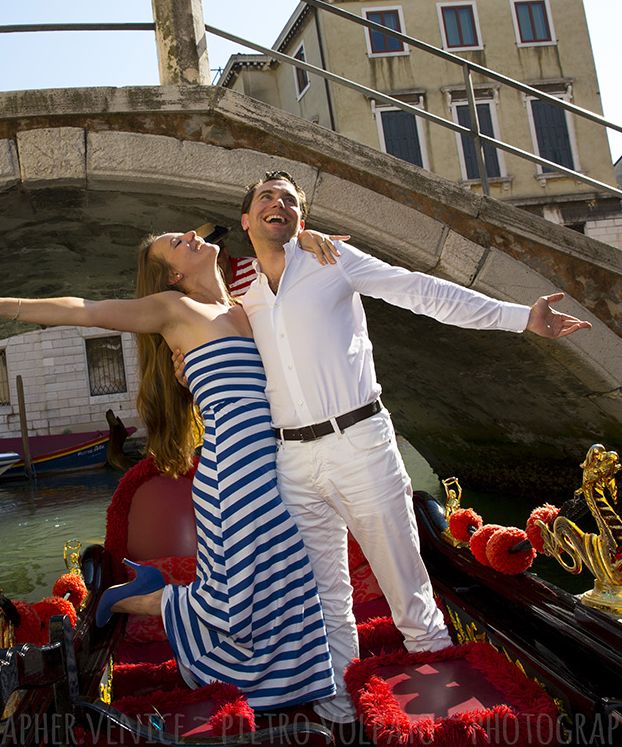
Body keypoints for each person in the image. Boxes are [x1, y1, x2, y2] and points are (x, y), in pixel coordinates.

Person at [232, 169, 592, 724]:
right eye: (265, 196)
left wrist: (522, 318)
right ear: (247, 218)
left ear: (302, 217)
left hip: (360, 443)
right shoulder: (243, 289)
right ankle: (344, 717)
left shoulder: (333, 261)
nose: (275, 203)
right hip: (293, 462)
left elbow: (423, 292)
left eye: (288, 199)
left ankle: (453, 720)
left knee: (408, 591)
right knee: (325, 598)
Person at [0, 230, 339, 712]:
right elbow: (85, 310)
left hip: (276, 465)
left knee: (286, 578)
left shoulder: (250, 304)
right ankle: (125, 601)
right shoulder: (175, 309)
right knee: (235, 604)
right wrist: (4, 305)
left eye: (185, 233)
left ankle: (299, 696)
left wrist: (309, 239)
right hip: (232, 473)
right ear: (172, 277)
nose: (192, 235)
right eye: (177, 243)